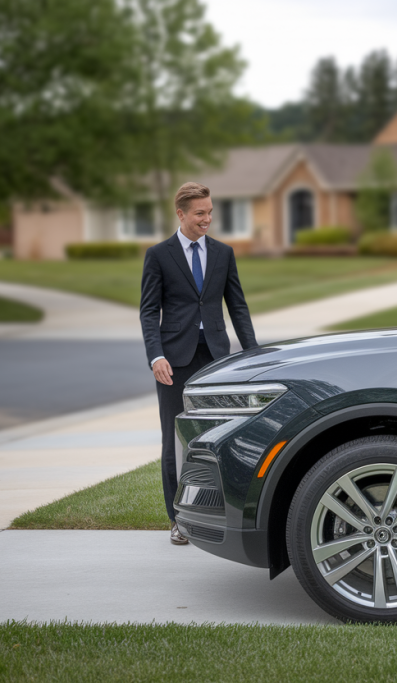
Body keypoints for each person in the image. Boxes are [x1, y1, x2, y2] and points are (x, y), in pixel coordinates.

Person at [140, 182, 258, 545]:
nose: (207, 219)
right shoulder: (159, 254)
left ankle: (217, 515)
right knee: (174, 440)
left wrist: (253, 352)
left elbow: (237, 305)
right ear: (181, 214)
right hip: (174, 361)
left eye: (209, 212)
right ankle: (177, 520)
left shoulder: (223, 253)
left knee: (221, 438)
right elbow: (149, 311)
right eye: (200, 213)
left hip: (218, 358)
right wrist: (155, 356)